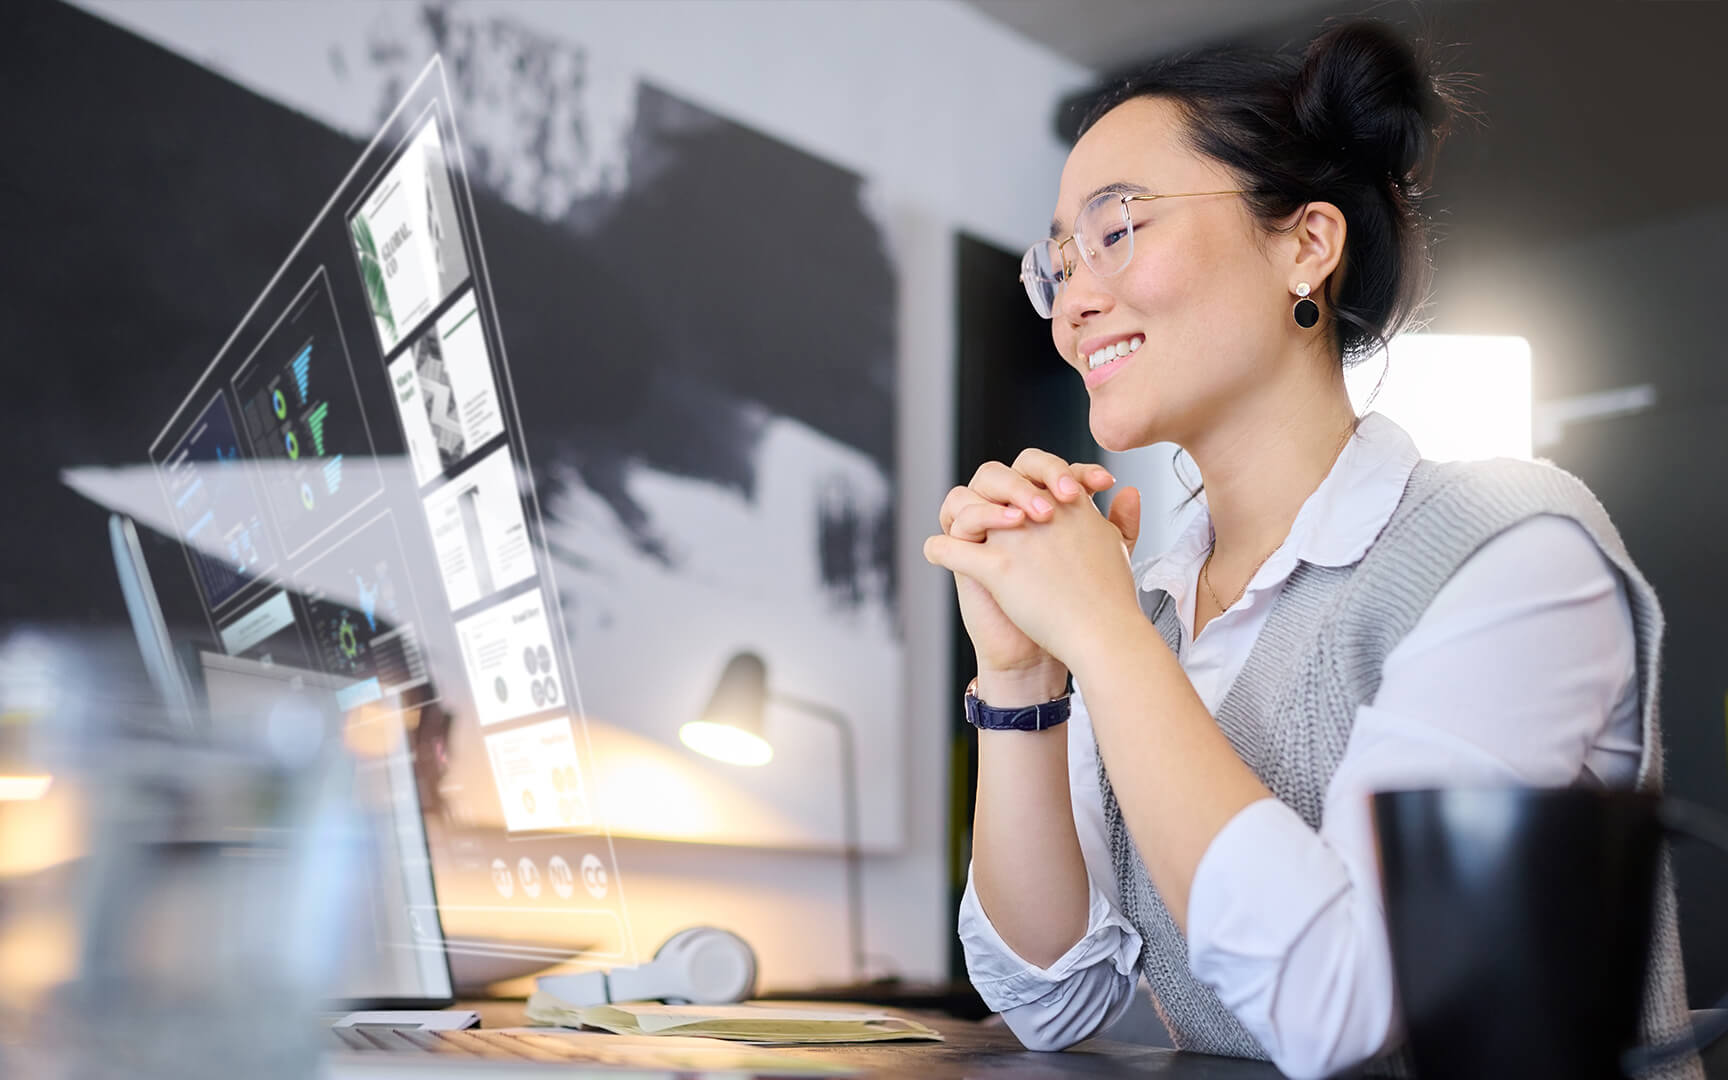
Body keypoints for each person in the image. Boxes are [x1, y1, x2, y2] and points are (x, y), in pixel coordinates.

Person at [922, 19, 1694, 1079]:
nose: (1075, 301)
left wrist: (1100, 636)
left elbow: (1342, 1011)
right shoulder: (1143, 607)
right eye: (1057, 259)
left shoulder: (1513, 551)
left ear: (1306, 244)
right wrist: (1022, 681)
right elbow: (1053, 999)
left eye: (1117, 230)